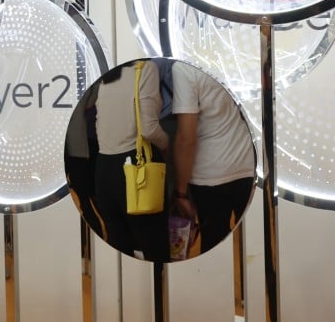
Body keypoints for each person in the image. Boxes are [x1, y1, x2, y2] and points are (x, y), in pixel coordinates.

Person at [170, 61, 255, 255]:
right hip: (248, 163)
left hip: (210, 174)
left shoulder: (184, 67)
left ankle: (219, 285)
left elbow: (186, 137)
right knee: (254, 239)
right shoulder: (233, 54)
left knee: (215, 243)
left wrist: (180, 193)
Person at [92, 59, 170, 261]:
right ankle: (159, 292)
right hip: (136, 170)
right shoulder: (144, 68)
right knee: (153, 245)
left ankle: (127, 293)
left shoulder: (106, 73)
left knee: (120, 245)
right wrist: (168, 143)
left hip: (103, 168)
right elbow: (149, 129)